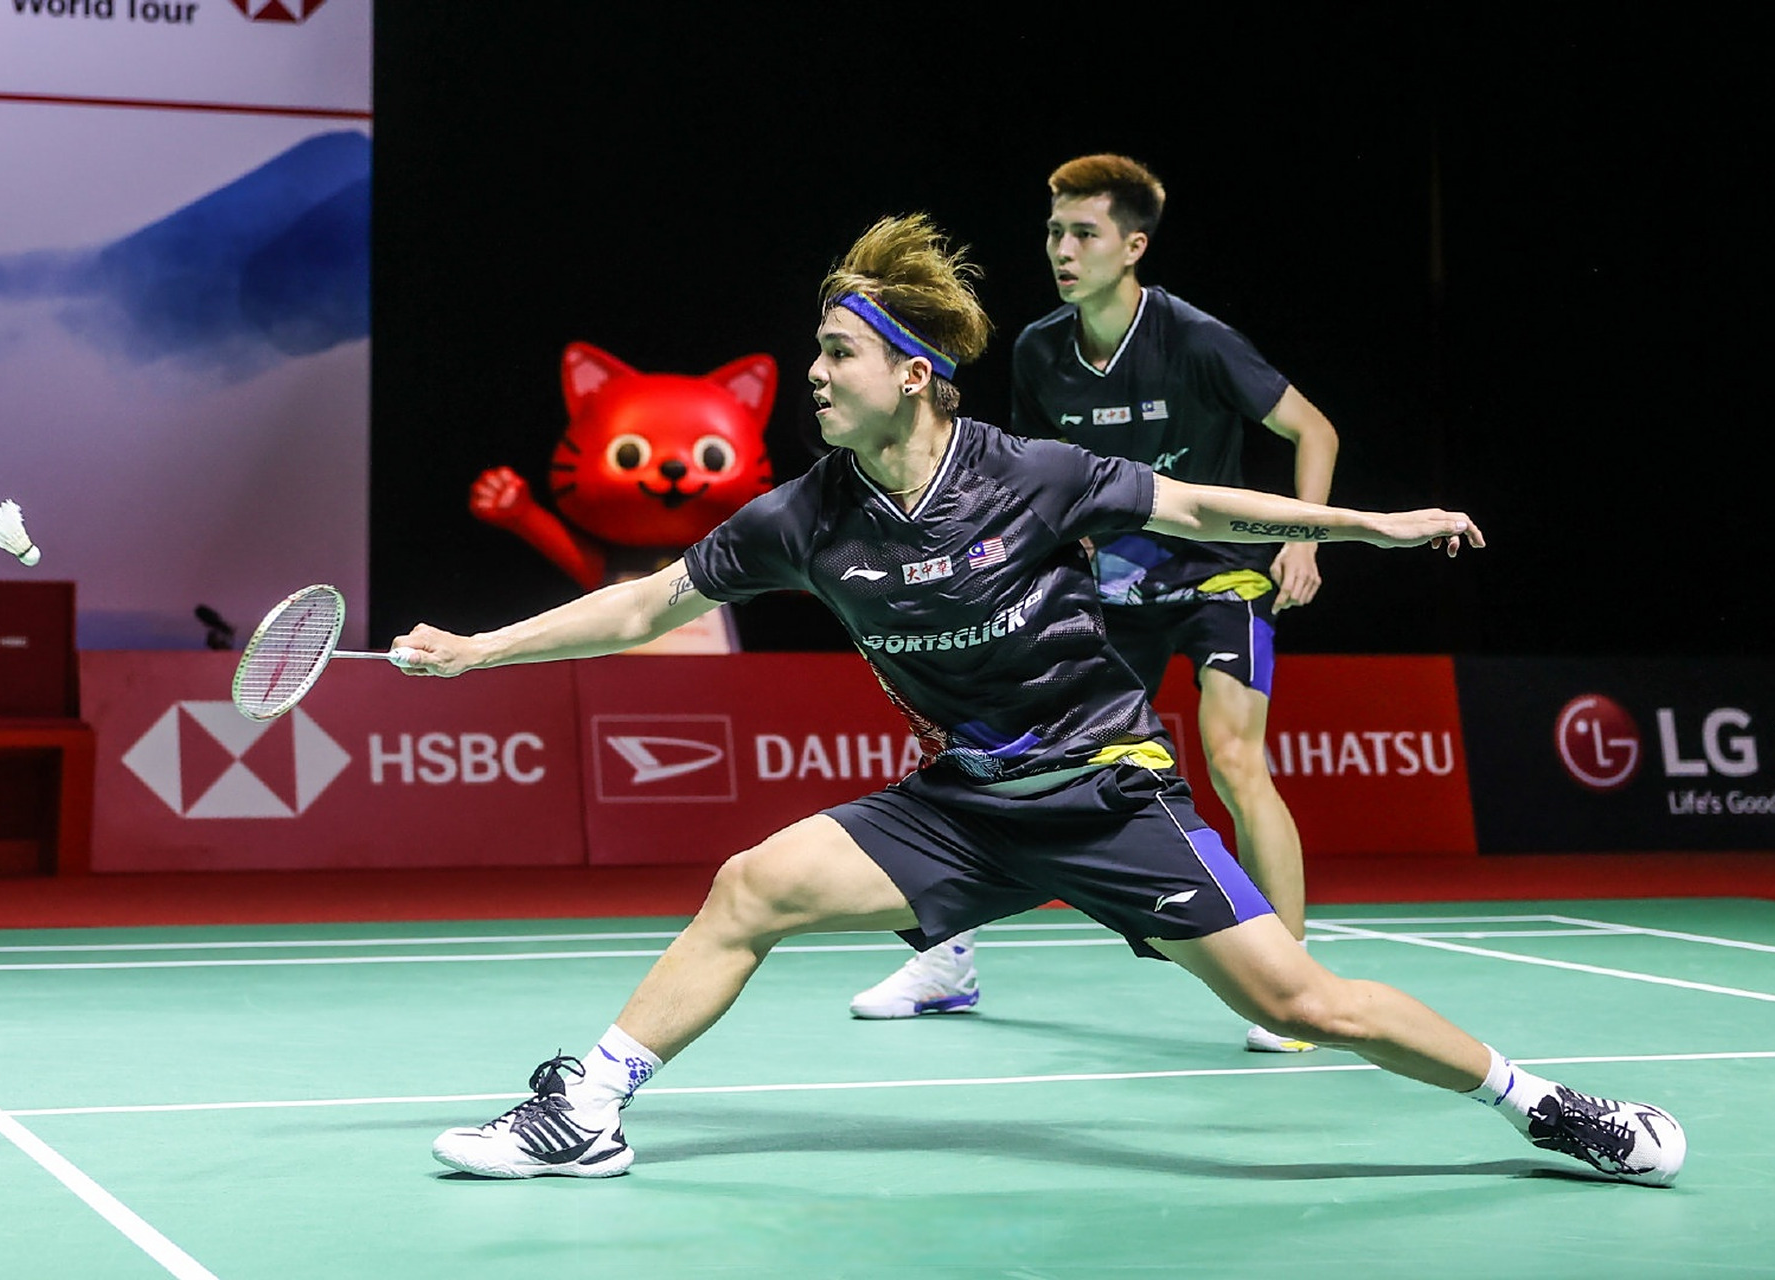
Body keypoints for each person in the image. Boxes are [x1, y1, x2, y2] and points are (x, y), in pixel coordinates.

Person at [396, 215, 1683, 1187]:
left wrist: (1364, 525)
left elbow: (1199, 504)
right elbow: (644, 604)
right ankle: (590, 1104)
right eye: (817, 353)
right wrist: (475, 650)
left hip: (1106, 792)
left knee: (1299, 1002)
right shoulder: (803, 517)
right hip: (965, 803)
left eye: (838, 354)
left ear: (912, 374)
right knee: (753, 885)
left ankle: (1550, 1106)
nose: (815, 376)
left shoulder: (1029, 473)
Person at [850, 155, 1331, 1054]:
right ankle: (947, 961)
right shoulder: (1041, 350)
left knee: (1234, 758)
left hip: (1217, 576)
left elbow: (1313, 428)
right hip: (1109, 585)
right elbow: (1033, 479)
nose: (1061, 251)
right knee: (1000, 754)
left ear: (1133, 247)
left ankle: (1296, 978)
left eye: (1083, 233)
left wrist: (1303, 539)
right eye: (1053, 233)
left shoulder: (1195, 340)